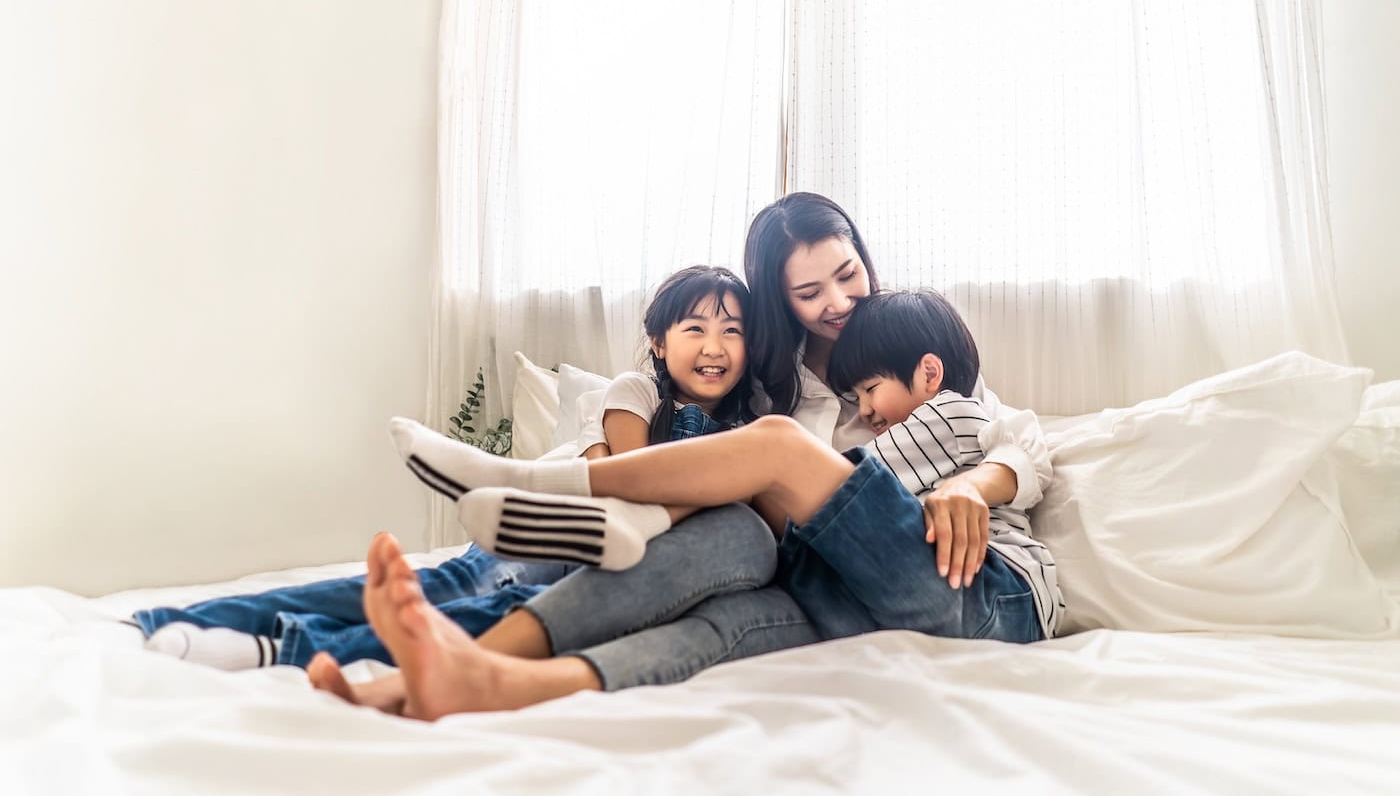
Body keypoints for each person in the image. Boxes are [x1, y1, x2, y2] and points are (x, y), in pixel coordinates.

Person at [309, 194, 1054, 716]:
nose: (837, 299)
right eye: (808, 289)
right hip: (843, 598)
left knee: (775, 452)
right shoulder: (774, 387)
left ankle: (533, 480)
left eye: (848, 273)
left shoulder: (913, 344)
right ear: (779, 299)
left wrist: (976, 487)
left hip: (968, 586)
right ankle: (463, 676)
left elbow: (1019, 438)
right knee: (723, 586)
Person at [135, 265, 764, 670]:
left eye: (733, 332)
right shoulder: (637, 392)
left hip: (617, 560)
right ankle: (193, 619)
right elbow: (641, 469)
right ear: (659, 341)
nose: (715, 347)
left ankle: (276, 649)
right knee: (454, 587)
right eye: (695, 328)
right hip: (554, 520)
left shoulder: (750, 427)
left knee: (520, 615)